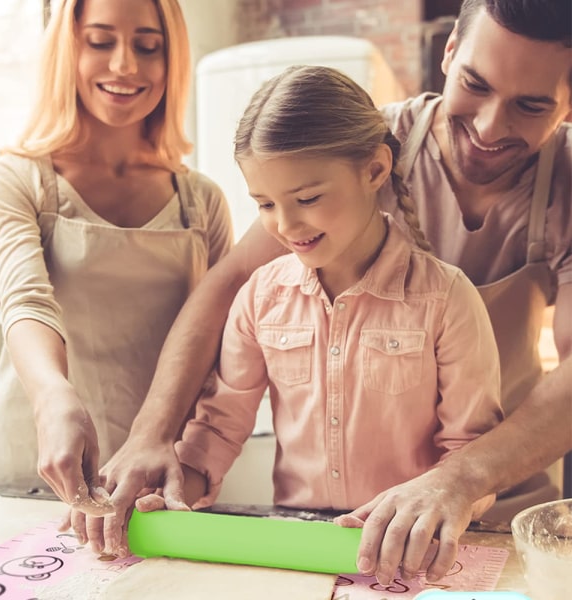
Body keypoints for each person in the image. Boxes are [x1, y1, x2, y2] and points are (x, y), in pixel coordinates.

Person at [45, 0, 572, 585]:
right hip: (314, 542)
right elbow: (228, 290)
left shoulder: (457, 286)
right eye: (475, 83)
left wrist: (460, 480)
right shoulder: (358, 145)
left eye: (531, 105)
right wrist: (153, 440)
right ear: (448, 52)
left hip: (492, 515)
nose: (491, 127)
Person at [170, 65, 503, 528]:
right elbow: (217, 429)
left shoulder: (447, 300)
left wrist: (438, 505)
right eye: (265, 204)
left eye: (307, 199)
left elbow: (470, 452)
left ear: (374, 170)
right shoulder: (260, 298)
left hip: (409, 544)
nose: (285, 226)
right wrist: (169, 492)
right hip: (298, 542)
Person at [0, 0, 232, 514]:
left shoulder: (201, 200)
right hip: (39, 470)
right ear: (67, 48)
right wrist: (52, 398)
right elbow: (27, 304)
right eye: (100, 41)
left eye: (147, 46)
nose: (124, 65)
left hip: (165, 477)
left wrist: (200, 459)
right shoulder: (16, 181)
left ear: (170, 58)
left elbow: (226, 342)